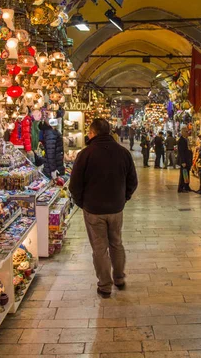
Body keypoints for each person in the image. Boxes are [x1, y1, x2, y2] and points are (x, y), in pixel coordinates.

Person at [69, 118, 138, 298]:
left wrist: (82, 202)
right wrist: (124, 198)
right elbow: (133, 181)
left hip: (93, 209)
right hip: (116, 208)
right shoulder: (123, 153)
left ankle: (105, 285)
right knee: (116, 242)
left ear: (92, 133)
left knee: (99, 248)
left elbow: (74, 184)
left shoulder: (85, 154)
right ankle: (119, 278)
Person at [177, 127, 193, 193]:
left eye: (188, 131)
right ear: (182, 132)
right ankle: (181, 188)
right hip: (184, 160)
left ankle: (186, 186)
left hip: (187, 159)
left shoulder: (186, 140)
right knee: (183, 174)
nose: (187, 133)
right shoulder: (181, 141)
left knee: (187, 174)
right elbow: (181, 152)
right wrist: (183, 161)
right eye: (186, 132)